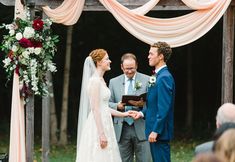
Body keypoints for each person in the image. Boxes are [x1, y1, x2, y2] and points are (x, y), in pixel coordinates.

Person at [76, 49, 133, 162]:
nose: (110, 61)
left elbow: (104, 107)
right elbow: (95, 109)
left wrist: (124, 114)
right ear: (99, 62)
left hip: (106, 123)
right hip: (98, 125)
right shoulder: (95, 81)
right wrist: (101, 134)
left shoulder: (101, 80)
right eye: (106, 59)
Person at [131, 42, 175, 162]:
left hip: (159, 133)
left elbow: (164, 107)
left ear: (160, 56)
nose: (148, 56)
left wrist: (156, 130)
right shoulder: (157, 75)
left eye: (151, 53)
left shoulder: (164, 77)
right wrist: (141, 113)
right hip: (154, 130)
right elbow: (153, 102)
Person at [108, 53, 151, 162]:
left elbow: (153, 104)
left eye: (132, 68)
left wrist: (143, 105)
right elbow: (107, 104)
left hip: (141, 126)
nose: (130, 71)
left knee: (144, 159)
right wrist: (117, 105)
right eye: (127, 69)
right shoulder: (113, 82)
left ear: (136, 65)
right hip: (122, 128)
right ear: (121, 67)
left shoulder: (147, 80)